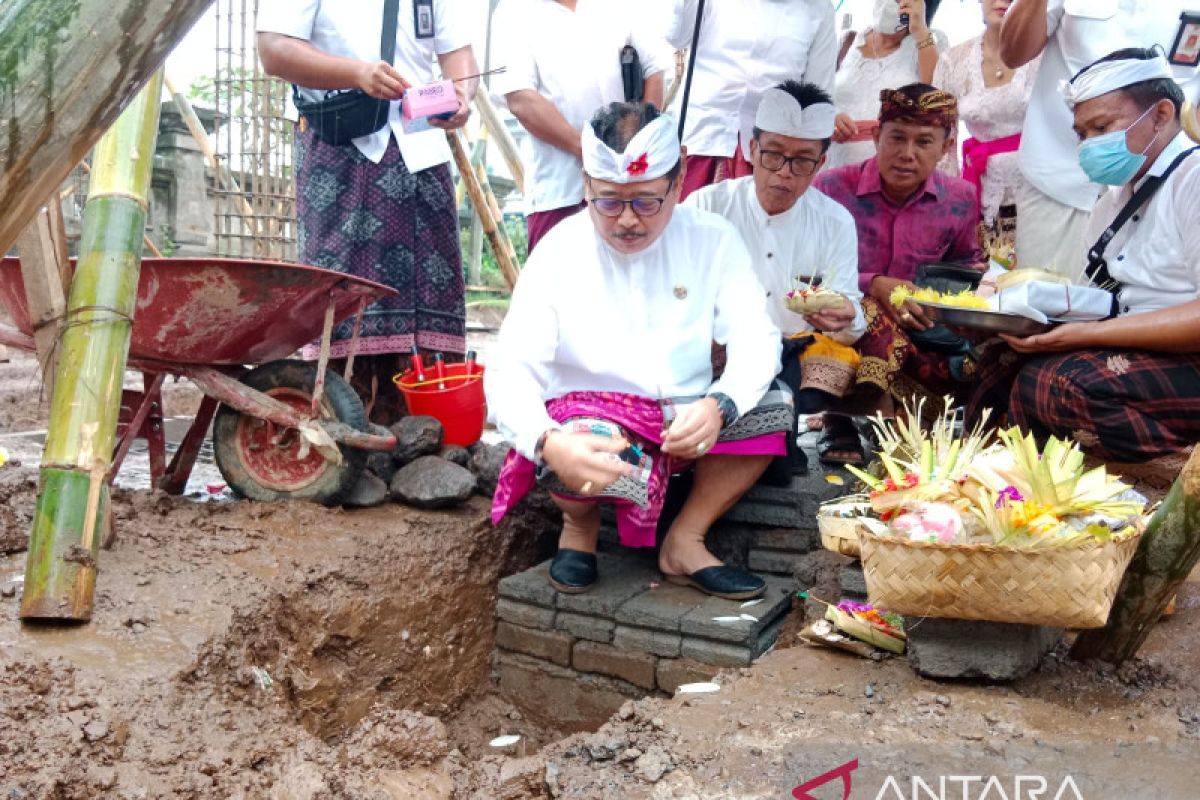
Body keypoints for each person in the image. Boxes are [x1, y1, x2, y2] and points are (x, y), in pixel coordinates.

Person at [487, 102, 790, 600]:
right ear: (586, 184)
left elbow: (758, 337)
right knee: (585, 441)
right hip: (598, 418)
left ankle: (686, 540)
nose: (627, 221)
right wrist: (549, 443)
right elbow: (511, 369)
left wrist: (721, 404)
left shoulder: (714, 239)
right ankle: (579, 529)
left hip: (688, 418)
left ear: (681, 176)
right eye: (608, 202)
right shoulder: (559, 250)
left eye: (647, 201)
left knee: (773, 408)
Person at [967, 48, 1200, 463]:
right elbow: (1103, 296)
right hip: (1138, 347)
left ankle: (1178, 477)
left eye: (1102, 127)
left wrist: (1086, 334)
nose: (1090, 145)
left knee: (1057, 385)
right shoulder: (1115, 194)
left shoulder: (1193, 178)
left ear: (1162, 114)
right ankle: (991, 494)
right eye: (1082, 134)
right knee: (1000, 360)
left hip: (1188, 357)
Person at [257, 0, 478, 424]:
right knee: (341, 290)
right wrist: (355, 73)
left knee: (431, 289)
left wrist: (463, 94)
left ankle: (425, 426)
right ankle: (345, 424)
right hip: (343, 144)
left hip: (421, 147)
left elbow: (458, 52)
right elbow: (274, 49)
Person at [686, 81, 867, 466]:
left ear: (821, 164)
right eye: (773, 155)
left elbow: (850, 313)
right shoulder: (706, 206)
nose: (784, 174)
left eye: (802, 161)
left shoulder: (835, 223)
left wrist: (845, 316)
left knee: (812, 359)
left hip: (793, 361)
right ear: (752, 150)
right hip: (715, 354)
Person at [814, 83, 984, 430]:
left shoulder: (960, 198)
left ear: (945, 148)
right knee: (867, 315)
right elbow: (804, 271)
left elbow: (965, 269)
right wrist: (873, 285)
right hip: (842, 324)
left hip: (923, 331)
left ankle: (904, 418)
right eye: (896, 138)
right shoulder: (830, 188)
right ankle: (848, 420)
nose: (907, 153)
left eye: (923, 141)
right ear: (876, 137)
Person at [999, 0, 1200, 276]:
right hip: (1059, 180)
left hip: (1164, 186)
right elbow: (1012, 53)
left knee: (1148, 300)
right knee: (1039, 304)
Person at [490, 0, 668, 252]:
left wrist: (640, 147)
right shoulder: (514, 11)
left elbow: (655, 70)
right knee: (559, 286)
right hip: (559, 191)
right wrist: (595, 155)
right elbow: (521, 100)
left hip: (630, 189)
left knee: (635, 284)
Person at [665, 0, 838, 199]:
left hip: (771, 153)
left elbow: (818, 96)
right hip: (699, 137)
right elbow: (677, 36)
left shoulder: (818, 8)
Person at [933, 0, 1041, 258]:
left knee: (1038, 276)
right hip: (982, 193)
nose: (1003, 1)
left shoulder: (1046, 55)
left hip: (1040, 189)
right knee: (991, 279)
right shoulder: (953, 61)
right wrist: (950, 201)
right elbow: (940, 138)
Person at [825, 0, 947, 171]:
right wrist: (830, 116)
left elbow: (935, 101)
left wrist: (920, 30)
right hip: (833, 164)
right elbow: (821, 94)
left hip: (891, 169)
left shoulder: (928, 43)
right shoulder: (849, 41)